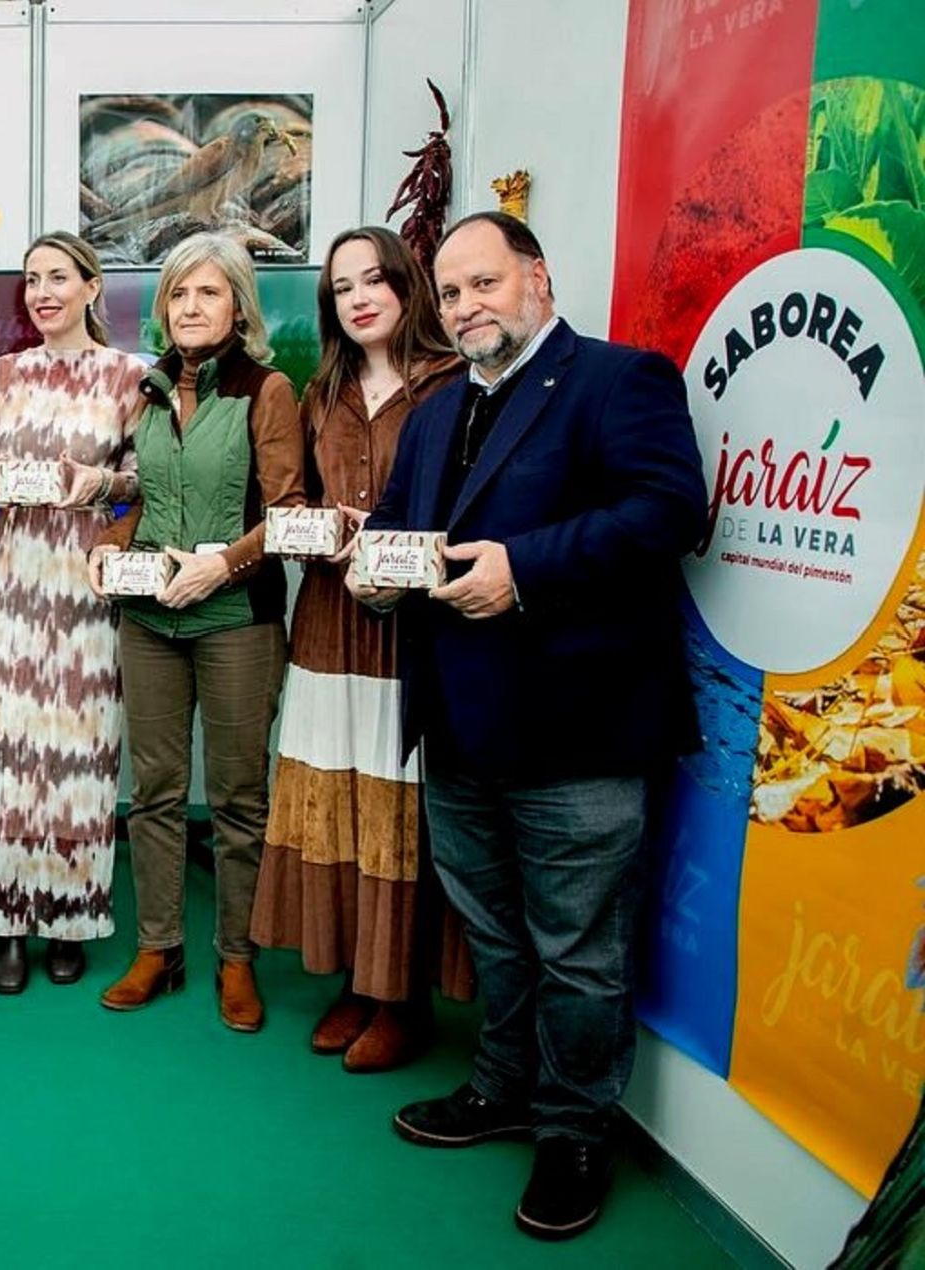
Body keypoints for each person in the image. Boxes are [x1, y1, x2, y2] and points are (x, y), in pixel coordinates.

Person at [349, 212, 703, 1240]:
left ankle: (575, 1131)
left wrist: (526, 570)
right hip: (457, 726)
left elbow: (671, 510)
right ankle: (501, 1087)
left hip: (578, 734)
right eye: (449, 293)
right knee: (496, 935)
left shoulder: (617, 379)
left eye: (482, 283)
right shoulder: (435, 411)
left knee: (580, 953)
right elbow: (395, 531)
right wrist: (376, 572)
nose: (464, 306)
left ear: (536, 277)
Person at [250, 226, 473, 1071]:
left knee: (399, 806)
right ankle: (354, 972)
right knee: (334, 796)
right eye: (343, 288)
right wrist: (321, 532)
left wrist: (390, 545)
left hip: (412, 630)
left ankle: (401, 992)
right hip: (328, 621)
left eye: (374, 279)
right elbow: (294, 502)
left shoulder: (454, 385)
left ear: (408, 287)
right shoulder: (325, 389)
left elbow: (473, 507)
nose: (359, 298)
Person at [87, 233, 304, 1032]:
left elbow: (289, 516)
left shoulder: (268, 390)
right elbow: (143, 496)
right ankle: (159, 948)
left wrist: (222, 567)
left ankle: (237, 958)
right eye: (178, 295)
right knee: (153, 792)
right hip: (147, 620)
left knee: (241, 798)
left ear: (238, 307)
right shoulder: (145, 391)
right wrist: (109, 551)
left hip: (235, 620)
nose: (189, 308)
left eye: (207, 294)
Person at [0, 232, 143, 995]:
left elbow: (146, 483)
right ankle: (8, 920)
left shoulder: (129, 377)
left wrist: (97, 481)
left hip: (86, 581)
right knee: (8, 759)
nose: (42, 292)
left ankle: (72, 918)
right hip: (9, 578)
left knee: (80, 757)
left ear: (91, 287)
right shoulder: (4, 374)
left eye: (57, 278)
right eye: (32, 280)